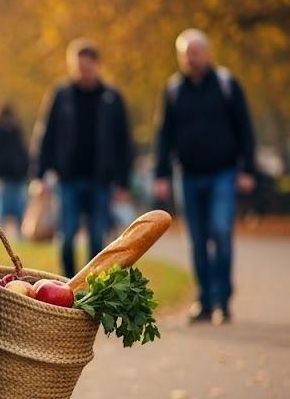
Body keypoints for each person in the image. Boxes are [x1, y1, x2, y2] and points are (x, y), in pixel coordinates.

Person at [153, 29, 256, 324]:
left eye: (195, 52)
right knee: (197, 239)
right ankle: (205, 300)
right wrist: (161, 174)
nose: (191, 59)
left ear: (207, 53)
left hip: (223, 173)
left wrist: (247, 168)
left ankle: (223, 299)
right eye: (186, 54)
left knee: (221, 232)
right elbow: (164, 135)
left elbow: (244, 128)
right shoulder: (173, 89)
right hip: (187, 175)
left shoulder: (226, 84)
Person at [34, 38, 134, 277]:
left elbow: (125, 143)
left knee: (97, 240)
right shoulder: (61, 95)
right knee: (67, 238)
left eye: (86, 68)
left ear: (97, 65)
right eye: (77, 67)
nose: (82, 73)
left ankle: (92, 288)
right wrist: (39, 176)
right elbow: (45, 137)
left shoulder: (112, 98)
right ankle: (68, 284)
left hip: (101, 180)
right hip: (68, 180)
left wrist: (123, 182)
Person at [0, 103, 29, 233]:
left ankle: (9, 231)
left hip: (13, 174)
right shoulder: (2, 131)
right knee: (10, 204)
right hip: (10, 174)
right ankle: (5, 231)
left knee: (12, 204)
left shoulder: (2, 130)